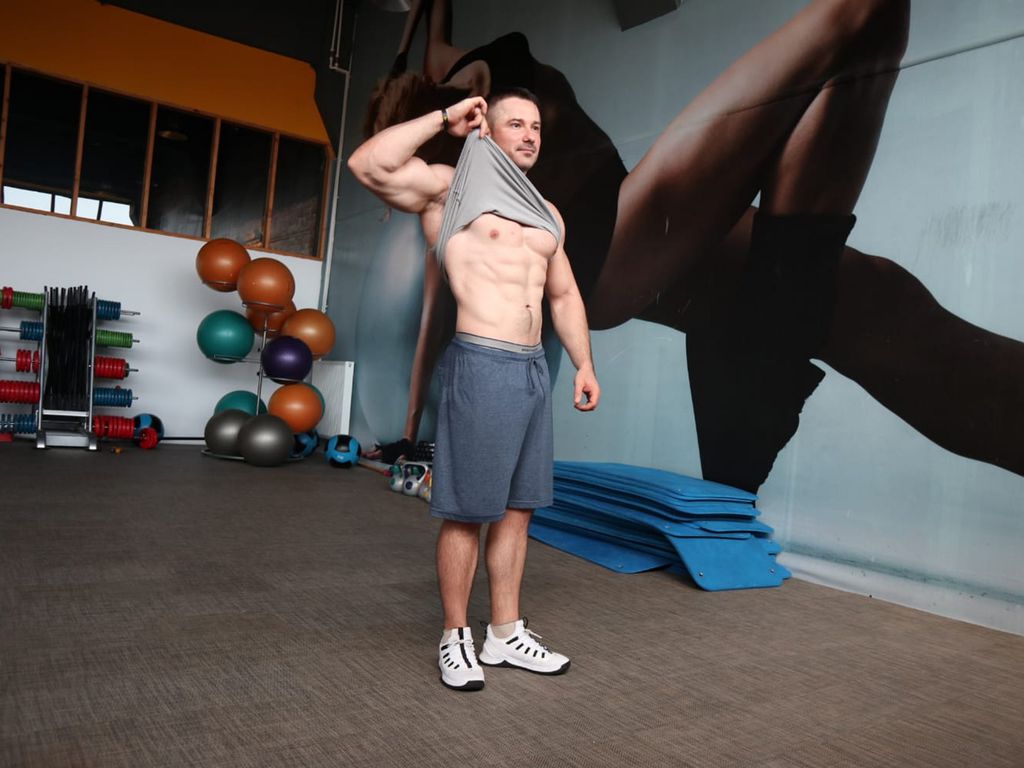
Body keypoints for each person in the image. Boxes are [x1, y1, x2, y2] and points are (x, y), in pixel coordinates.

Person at [362, 0, 1024, 486]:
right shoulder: (456, 191)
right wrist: (412, 430)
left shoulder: (455, 72)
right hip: (616, 246)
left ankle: (754, 383)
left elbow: (434, 32)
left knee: (900, 321)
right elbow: (437, 315)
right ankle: (759, 377)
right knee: (862, 16)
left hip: (718, 265)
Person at [348, 90, 601, 691]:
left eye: (536, 126)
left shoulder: (546, 211)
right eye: (517, 123)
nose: (530, 135)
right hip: (481, 363)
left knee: (518, 509)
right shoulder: (450, 189)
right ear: (487, 129)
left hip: (532, 368)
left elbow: (563, 293)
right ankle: (455, 635)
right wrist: (444, 118)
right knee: (467, 512)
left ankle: (504, 633)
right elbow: (367, 164)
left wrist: (585, 364)